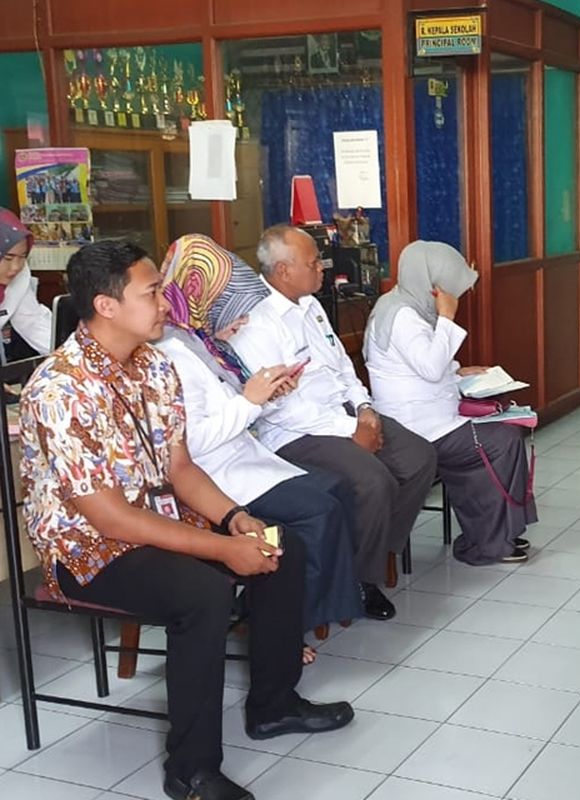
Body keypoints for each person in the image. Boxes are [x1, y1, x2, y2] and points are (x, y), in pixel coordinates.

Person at [20, 241, 353, 800]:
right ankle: (191, 771)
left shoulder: (154, 365)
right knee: (202, 592)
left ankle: (273, 706)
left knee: (282, 545)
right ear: (106, 306)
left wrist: (234, 518)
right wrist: (220, 550)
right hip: (89, 548)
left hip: (153, 520)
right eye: (151, 292)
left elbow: (179, 465)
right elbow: (110, 517)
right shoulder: (60, 388)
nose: (165, 303)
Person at [156, 234, 364, 646]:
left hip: (246, 459)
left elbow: (240, 406)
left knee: (341, 488)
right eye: (228, 311)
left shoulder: (203, 343)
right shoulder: (172, 355)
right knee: (319, 511)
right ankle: (288, 627)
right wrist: (252, 401)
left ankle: (306, 608)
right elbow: (192, 442)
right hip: (215, 478)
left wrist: (267, 395)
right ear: (200, 301)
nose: (242, 322)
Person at [228, 225, 437, 621]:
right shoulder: (255, 322)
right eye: (313, 263)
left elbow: (342, 364)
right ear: (284, 271)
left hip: (343, 414)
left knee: (420, 457)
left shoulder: (310, 304)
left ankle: (367, 555)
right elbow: (278, 408)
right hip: (296, 433)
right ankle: (361, 580)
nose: (323, 269)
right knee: (374, 481)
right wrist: (351, 433)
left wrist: (365, 409)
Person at [364, 241, 536, 566]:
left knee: (506, 431)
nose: (453, 296)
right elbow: (429, 367)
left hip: (433, 417)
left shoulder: (407, 305)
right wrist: (447, 317)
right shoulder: (402, 315)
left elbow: (418, 367)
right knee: (502, 441)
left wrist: (459, 372)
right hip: (416, 429)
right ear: (431, 285)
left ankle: (496, 533)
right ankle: (489, 542)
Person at [0, 208, 53, 360]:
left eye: (23, 257)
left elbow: (33, 322)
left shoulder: (18, 275)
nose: (16, 267)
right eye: (8, 258)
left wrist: (75, 359)